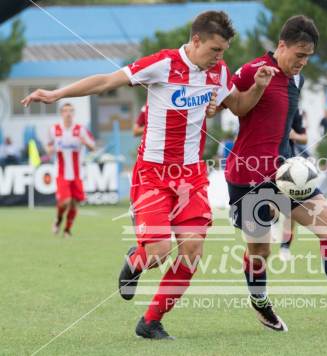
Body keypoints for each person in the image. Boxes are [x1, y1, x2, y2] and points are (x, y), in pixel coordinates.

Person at [21, 10, 278, 340]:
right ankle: (136, 260)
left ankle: (151, 321)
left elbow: (240, 106)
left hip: (192, 176)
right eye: (215, 49)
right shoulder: (163, 63)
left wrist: (257, 88)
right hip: (153, 176)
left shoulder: (219, 72)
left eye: (224, 51)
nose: (220, 57)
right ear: (195, 40)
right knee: (157, 253)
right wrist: (57, 95)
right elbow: (105, 82)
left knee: (192, 252)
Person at [224, 15, 327, 332]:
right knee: (259, 251)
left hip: (288, 174)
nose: (302, 63)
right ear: (281, 46)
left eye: (308, 57)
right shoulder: (252, 70)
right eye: (298, 55)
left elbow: (282, 127)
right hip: (247, 176)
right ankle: (259, 301)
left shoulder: (297, 80)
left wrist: (292, 161)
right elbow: (230, 104)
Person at [48, 103, 95, 237]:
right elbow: (48, 146)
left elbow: (93, 146)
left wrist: (86, 143)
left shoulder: (80, 129)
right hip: (62, 173)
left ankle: (67, 230)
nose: (68, 114)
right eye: (65, 111)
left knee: (74, 203)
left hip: (77, 173)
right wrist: (51, 149)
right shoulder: (54, 130)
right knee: (65, 201)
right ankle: (58, 219)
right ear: (61, 113)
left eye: (70, 111)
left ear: (73, 114)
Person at [279, 110, 308, 261]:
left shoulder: (293, 109)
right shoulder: (258, 102)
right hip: (259, 164)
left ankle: (285, 247)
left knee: (291, 209)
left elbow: (304, 138)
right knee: (267, 209)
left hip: (286, 165)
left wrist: (294, 135)